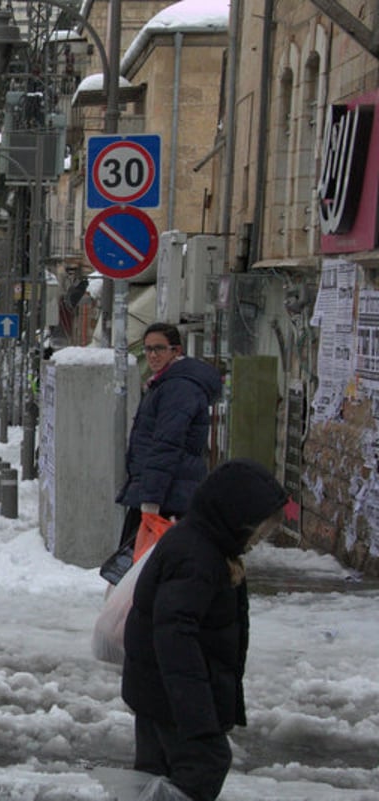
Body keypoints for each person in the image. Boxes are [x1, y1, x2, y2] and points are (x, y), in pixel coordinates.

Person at [122, 458, 287, 801]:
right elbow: (175, 638)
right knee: (207, 762)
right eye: (259, 529)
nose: (260, 539)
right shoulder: (196, 557)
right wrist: (197, 717)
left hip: (162, 692)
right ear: (235, 516)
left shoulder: (209, 546)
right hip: (173, 697)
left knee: (155, 776)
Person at [114, 323, 223, 556]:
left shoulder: (178, 388)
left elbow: (166, 445)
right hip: (166, 491)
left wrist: (151, 500)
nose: (152, 355)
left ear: (176, 351)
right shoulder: (166, 383)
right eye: (148, 349)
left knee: (142, 570)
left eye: (159, 349)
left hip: (167, 496)